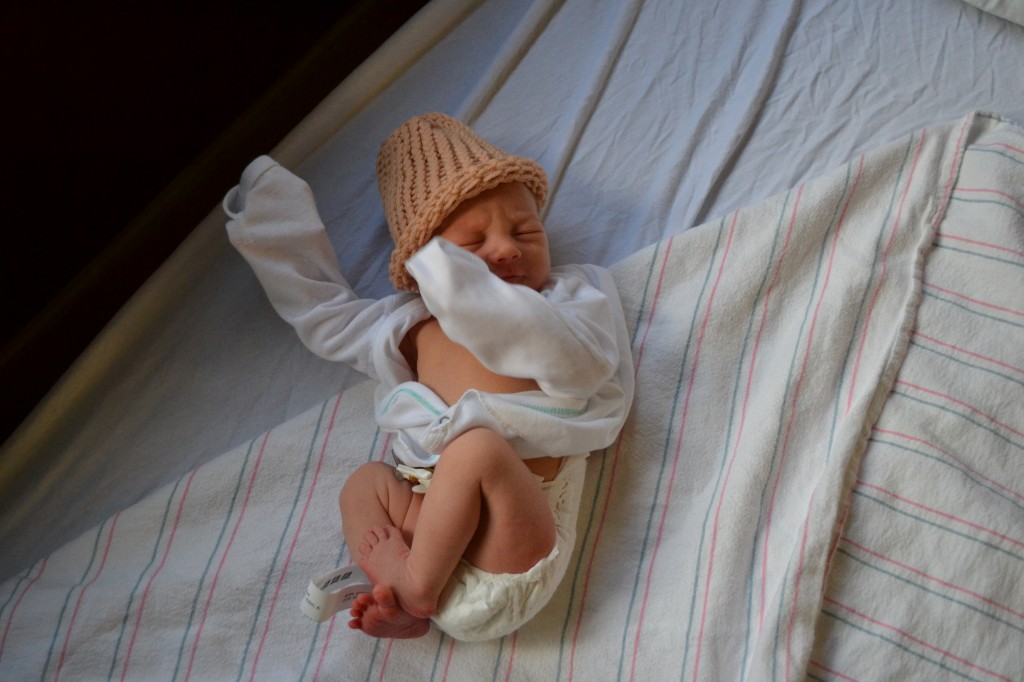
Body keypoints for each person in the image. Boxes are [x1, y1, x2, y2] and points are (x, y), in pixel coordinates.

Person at [223, 113, 634, 641]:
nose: (507, 249)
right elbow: (322, 315)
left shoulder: (567, 301)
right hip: (425, 524)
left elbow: (580, 365)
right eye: (472, 244)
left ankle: (414, 586)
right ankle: (403, 600)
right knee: (363, 484)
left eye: (525, 230)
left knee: (477, 450)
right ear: (425, 266)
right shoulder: (405, 325)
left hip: (518, 531)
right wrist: (269, 218)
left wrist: (463, 286)